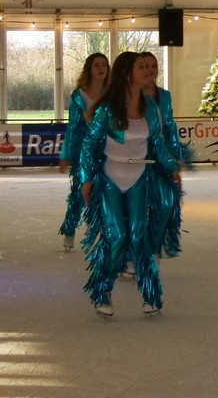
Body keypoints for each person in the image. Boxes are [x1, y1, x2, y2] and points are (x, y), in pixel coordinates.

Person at [79, 52, 182, 317]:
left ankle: (151, 295)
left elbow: (157, 143)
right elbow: (89, 145)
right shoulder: (107, 107)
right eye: (141, 66)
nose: (148, 70)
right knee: (116, 236)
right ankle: (103, 291)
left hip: (139, 178)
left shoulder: (150, 107)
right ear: (127, 73)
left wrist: (171, 168)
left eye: (149, 66)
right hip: (110, 178)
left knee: (139, 236)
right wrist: (86, 178)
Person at [57, 52, 109, 252]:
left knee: (105, 192)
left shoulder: (111, 94)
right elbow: (72, 127)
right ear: (89, 69)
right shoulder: (78, 96)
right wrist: (66, 155)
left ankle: (105, 232)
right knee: (79, 192)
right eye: (97, 65)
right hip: (83, 153)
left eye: (104, 65)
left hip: (107, 151)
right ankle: (70, 228)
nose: (101, 68)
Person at [141, 51, 187, 260]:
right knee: (138, 207)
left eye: (154, 66)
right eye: (144, 66)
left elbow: (170, 127)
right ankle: (132, 253)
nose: (150, 70)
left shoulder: (165, 96)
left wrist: (176, 156)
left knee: (166, 203)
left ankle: (152, 248)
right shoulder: (130, 95)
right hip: (137, 155)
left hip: (162, 156)